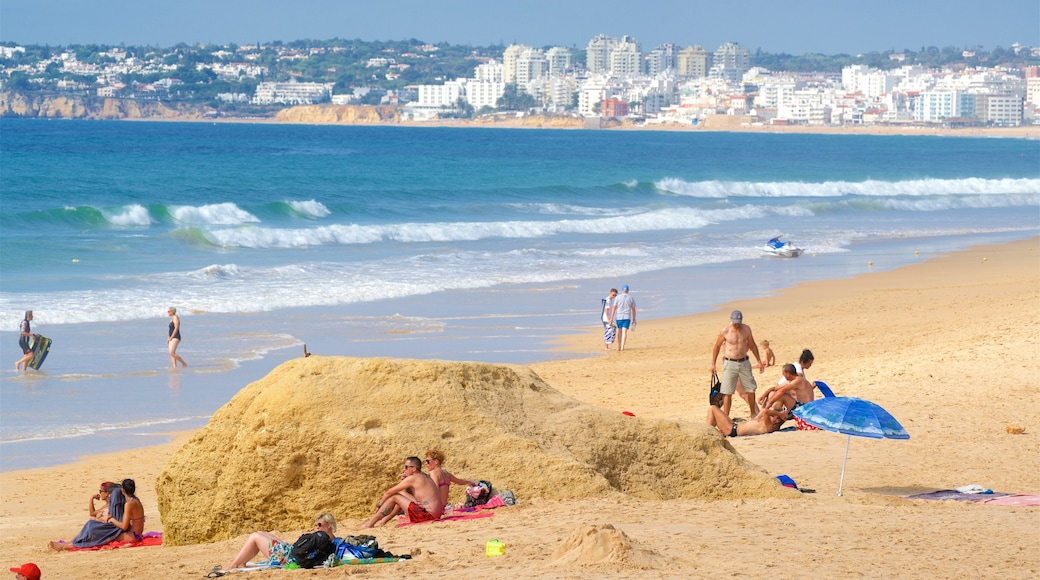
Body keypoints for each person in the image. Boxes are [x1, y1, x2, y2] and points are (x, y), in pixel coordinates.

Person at [221, 512, 337, 572]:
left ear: (329, 525)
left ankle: (233, 565)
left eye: (319, 525)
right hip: (290, 553)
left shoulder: (325, 540)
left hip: (285, 557)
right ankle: (241, 563)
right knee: (261, 533)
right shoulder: (331, 540)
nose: (316, 527)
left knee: (255, 536)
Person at [360, 456, 444, 528]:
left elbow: (389, 492)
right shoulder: (424, 476)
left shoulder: (413, 478)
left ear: (414, 469)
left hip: (427, 516)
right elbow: (404, 493)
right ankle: (383, 521)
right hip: (435, 514)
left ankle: (370, 523)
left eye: (406, 467)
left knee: (394, 497)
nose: (404, 469)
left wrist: (379, 506)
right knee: (401, 496)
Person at [710, 310, 766, 418]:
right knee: (727, 391)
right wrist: (713, 363)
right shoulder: (725, 331)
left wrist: (759, 361)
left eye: (739, 322)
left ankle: (753, 413)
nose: (737, 324)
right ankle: (726, 416)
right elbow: (716, 346)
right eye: (735, 322)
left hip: (744, 362)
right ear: (731, 320)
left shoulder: (746, 329)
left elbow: (752, 345)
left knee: (750, 388)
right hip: (730, 362)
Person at [707, 404, 786, 437]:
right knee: (715, 414)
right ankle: (708, 431)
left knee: (713, 408)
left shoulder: (769, 426)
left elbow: (766, 412)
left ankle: (706, 432)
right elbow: (763, 411)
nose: (770, 416)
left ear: (777, 421)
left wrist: (780, 415)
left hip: (732, 430)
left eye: (772, 416)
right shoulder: (766, 423)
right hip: (733, 426)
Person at [608, 284, 636, 352]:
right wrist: (634, 319)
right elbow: (633, 309)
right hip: (627, 317)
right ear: (628, 290)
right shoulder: (631, 297)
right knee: (624, 332)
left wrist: (611, 318)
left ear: (622, 290)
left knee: (619, 331)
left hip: (619, 317)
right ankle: (622, 347)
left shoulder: (618, 297)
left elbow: (614, 308)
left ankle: (619, 346)